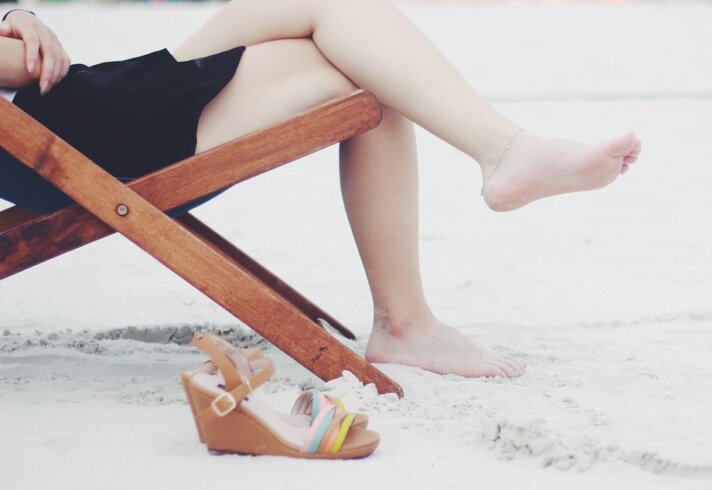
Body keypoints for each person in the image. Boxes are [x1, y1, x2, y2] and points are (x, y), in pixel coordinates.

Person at [0, 0, 641, 379]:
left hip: (81, 108)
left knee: (348, 29)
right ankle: (413, 308)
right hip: (69, 141)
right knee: (363, 71)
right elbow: (22, 66)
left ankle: (496, 168)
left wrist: (18, 13)